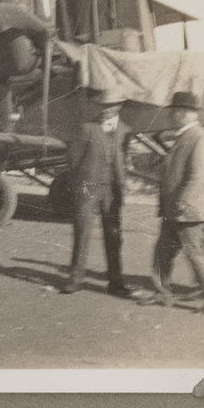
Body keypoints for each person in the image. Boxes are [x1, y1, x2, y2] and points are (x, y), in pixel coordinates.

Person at [138, 91, 204, 314]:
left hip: (188, 211)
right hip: (174, 209)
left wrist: (184, 202)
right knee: (162, 252)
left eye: (176, 111)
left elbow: (199, 175)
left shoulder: (200, 138)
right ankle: (161, 292)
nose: (172, 115)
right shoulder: (185, 136)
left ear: (188, 114)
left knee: (195, 252)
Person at [62, 88, 134, 297]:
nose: (103, 110)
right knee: (82, 233)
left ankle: (116, 282)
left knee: (113, 236)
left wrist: (120, 184)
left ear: (118, 106)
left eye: (109, 106)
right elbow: (73, 160)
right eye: (100, 106)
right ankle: (75, 280)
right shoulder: (86, 129)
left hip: (113, 191)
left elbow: (124, 159)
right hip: (89, 188)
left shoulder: (126, 130)